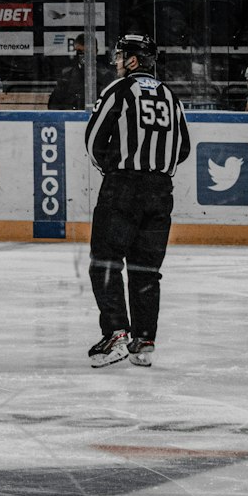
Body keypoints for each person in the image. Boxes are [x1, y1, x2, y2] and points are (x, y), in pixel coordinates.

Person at [84, 33, 190, 369]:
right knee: (146, 268)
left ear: (132, 60)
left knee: (106, 260)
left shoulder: (118, 90)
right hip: (161, 192)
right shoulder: (171, 96)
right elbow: (183, 148)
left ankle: (116, 332)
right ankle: (143, 340)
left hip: (123, 187)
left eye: (119, 57)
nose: (116, 62)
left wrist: (115, 171)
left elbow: (94, 141)